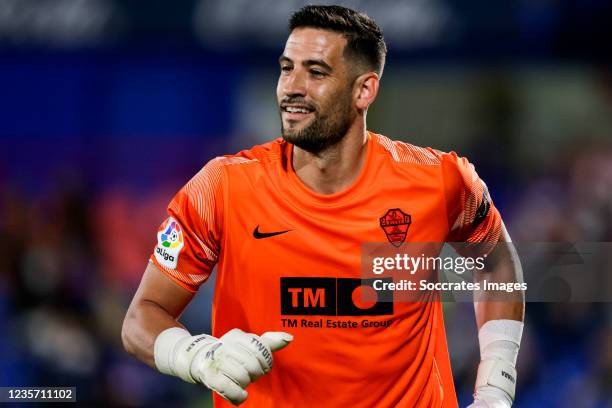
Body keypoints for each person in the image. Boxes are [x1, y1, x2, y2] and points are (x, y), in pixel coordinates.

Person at [122, 5, 525, 407]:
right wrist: (197, 357)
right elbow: (142, 317)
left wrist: (495, 388)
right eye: (286, 68)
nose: (291, 87)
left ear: (363, 90)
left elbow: (498, 262)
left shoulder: (440, 180)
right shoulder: (222, 188)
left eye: (315, 72)